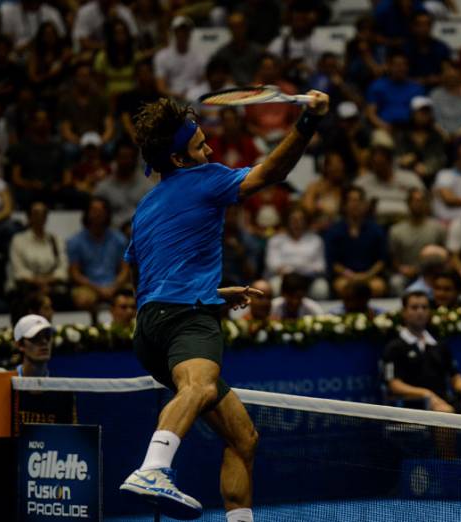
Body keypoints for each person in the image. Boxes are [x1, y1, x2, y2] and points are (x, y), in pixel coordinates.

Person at [120, 90, 329, 520]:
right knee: (200, 387)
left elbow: (143, 276)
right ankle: (153, 468)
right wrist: (308, 121)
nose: (209, 149)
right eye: (199, 146)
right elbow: (272, 172)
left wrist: (215, 292)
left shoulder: (144, 209)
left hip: (150, 328)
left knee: (243, 438)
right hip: (186, 320)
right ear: (179, 159)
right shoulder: (209, 178)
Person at [0, 314, 76, 451]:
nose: (44, 342)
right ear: (19, 345)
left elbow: (70, 440)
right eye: (35, 338)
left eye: (47, 336)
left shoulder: (62, 391)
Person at [382, 291, 461, 418]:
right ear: (404, 312)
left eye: (424, 307)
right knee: (445, 415)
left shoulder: (439, 344)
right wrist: (425, 393)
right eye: (414, 307)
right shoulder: (394, 347)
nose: (420, 312)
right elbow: (394, 385)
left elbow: (455, 378)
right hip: (414, 405)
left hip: (444, 400)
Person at [68, 197, 130, 317]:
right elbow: (75, 273)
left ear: (107, 214)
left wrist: (114, 286)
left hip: (115, 285)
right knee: (83, 300)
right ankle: (92, 330)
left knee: (137, 296)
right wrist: (98, 289)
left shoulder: (119, 240)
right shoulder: (75, 241)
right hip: (88, 286)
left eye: (101, 211)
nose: (97, 215)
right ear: (87, 214)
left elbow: (125, 270)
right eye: (94, 211)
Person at [324, 186, 388, 298]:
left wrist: (366, 276)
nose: (355, 204)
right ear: (344, 205)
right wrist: (350, 275)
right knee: (341, 287)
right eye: (351, 200)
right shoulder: (334, 231)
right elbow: (333, 263)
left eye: (358, 200)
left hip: (370, 276)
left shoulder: (376, 230)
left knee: (378, 287)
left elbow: (381, 261)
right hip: (345, 277)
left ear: (365, 205)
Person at [7, 200, 70, 302]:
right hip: (26, 287)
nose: (40, 216)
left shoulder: (56, 240)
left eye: (43, 213)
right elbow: (19, 271)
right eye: (36, 213)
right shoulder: (18, 240)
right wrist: (38, 282)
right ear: (29, 216)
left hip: (52, 287)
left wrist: (47, 282)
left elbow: (62, 269)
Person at [388, 189, 446, 295]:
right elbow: (393, 258)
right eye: (415, 201)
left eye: (421, 200)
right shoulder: (396, 230)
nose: (418, 204)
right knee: (395, 282)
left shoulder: (437, 227)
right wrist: (401, 269)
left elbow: (445, 253)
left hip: (433, 272)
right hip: (407, 273)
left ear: (426, 204)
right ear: (408, 203)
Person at [264, 206, 329, 300]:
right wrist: (298, 270)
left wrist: (296, 270)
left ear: (306, 221)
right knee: (274, 286)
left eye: (300, 219)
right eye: (293, 219)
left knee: (321, 289)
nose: (297, 222)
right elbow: (273, 265)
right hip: (284, 279)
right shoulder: (276, 240)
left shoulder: (316, 240)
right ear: (287, 221)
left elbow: (320, 266)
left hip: (308, 279)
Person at [353, 145, 424, 225]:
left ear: (390, 162)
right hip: (373, 224)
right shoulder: (362, 183)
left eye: (381, 164)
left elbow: (424, 201)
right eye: (375, 164)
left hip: (407, 223)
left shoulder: (410, 179)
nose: (378, 168)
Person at [94, 139, 153, 230]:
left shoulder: (148, 187)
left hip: (141, 234)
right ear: (115, 159)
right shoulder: (102, 188)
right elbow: (97, 218)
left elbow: (152, 216)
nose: (125, 161)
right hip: (112, 237)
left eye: (129, 157)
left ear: (135, 160)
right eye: (122, 157)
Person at [366, 52, 424, 131]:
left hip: (411, 130)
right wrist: (385, 127)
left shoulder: (416, 88)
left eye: (404, 65)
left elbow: (423, 114)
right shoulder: (377, 86)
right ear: (389, 66)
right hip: (385, 127)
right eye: (397, 65)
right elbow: (371, 114)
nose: (400, 68)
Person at [153, 16, 205, 101]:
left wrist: (192, 93)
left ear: (190, 33)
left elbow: (204, 82)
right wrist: (178, 95)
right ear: (174, 32)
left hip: (194, 98)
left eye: (186, 30)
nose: (183, 33)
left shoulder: (200, 56)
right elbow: (161, 88)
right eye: (180, 30)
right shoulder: (162, 56)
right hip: (171, 99)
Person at [209, 11, 265, 86]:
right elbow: (214, 71)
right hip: (231, 90)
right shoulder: (222, 53)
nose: (237, 30)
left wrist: (256, 81)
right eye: (233, 27)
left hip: (255, 88)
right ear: (229, 29)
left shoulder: (258, 51)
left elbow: (264, 71)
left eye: (240, 26)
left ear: (245, 27)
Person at [429, 59, 461, 137]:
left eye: (453, 74)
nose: (449, 75)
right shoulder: (435, 94)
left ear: (460, 75)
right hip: (439, 136)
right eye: (446, 72)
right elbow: (432, 119)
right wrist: (443, 134)